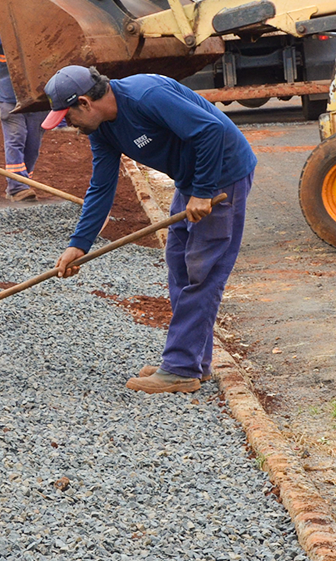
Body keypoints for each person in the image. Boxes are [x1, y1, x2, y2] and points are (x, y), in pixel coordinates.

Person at [42, 65, 256, 395]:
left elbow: (211, 131)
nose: (67, 126)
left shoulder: (146, 96)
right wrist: (79, 245)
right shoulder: (101, 129)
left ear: (84, 103)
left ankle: (181, 369)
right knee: (180, 265)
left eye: (66, 116)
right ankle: (194, 361)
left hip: (223, 174)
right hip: (193, 179)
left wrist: (203, 191)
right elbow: (101, 187)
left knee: (203, 271)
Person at [0, 23, 44, 201]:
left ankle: (23, 183)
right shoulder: (6, 21)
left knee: (33, 145)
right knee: (16, 138)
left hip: (39, 94)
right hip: (9, 94)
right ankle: (18, 187)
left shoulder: (45, 20)